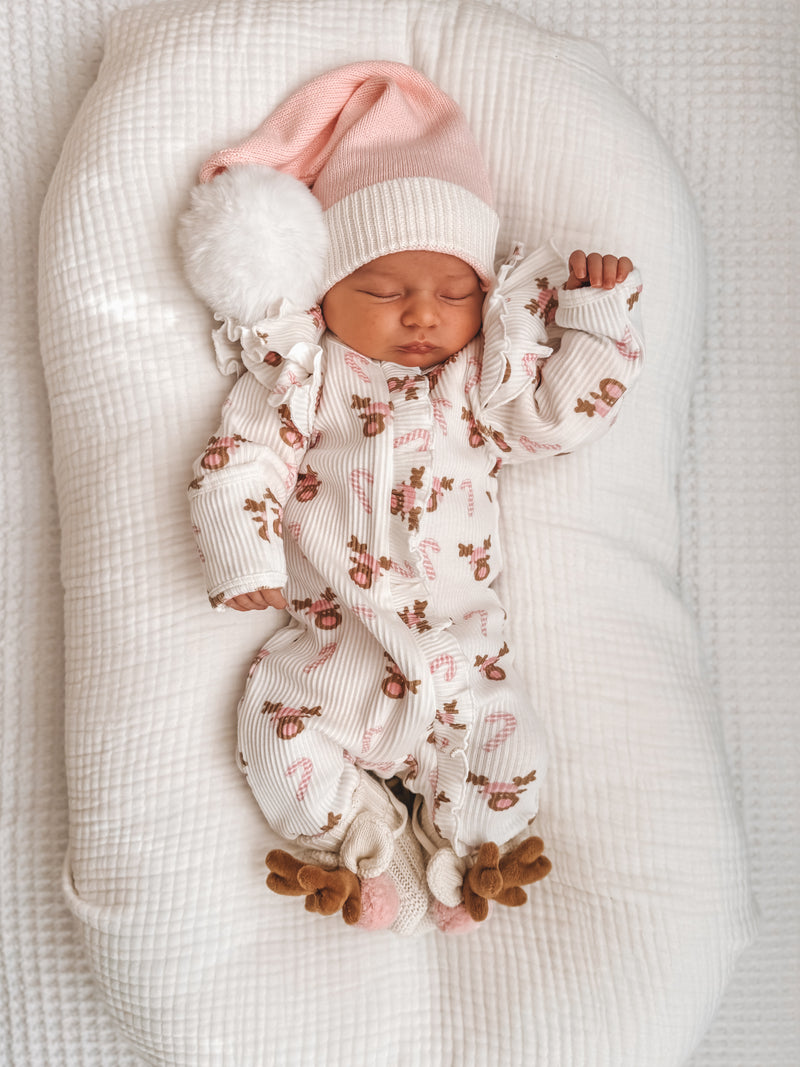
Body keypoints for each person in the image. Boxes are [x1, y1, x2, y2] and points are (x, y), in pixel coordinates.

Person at [180, 61, 644, 935]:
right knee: (272, 731)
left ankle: (474, 853)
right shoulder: (307, 375)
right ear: (328, 292)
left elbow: (556, 418)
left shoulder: (480, 381)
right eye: (385, 290)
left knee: (509, 749)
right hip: (331, 657)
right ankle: (354, 845)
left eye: (454, 291)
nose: (423, 314)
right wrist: (241, 547)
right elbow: (243, 456)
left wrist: (598, 321)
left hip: (459, 665)